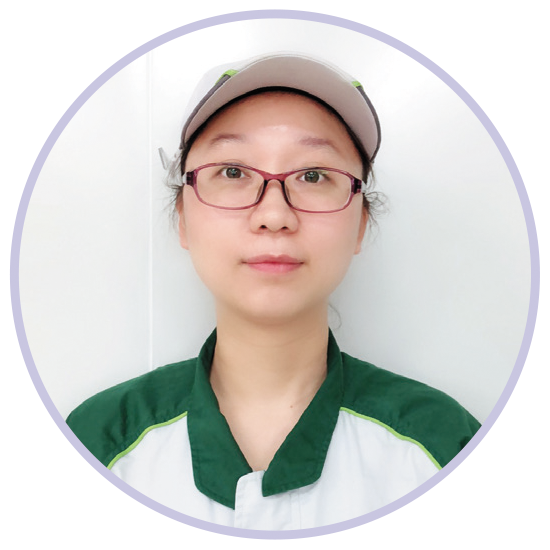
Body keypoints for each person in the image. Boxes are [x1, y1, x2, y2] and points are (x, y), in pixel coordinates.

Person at [66, 52, 481, 530]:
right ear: (182, 217)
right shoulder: (96, 445)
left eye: (313, 175)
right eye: (233, 172)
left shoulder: (442, 448)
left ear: (361, 224)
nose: (274, 215)